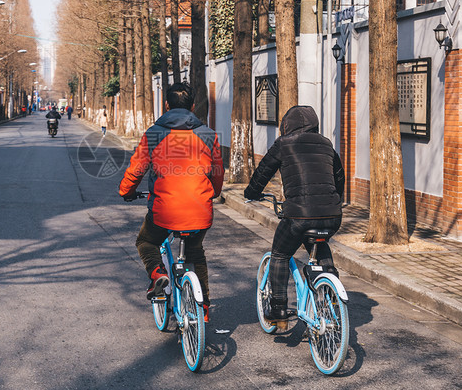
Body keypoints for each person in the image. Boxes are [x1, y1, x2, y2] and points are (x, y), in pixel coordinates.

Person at [120, 83, 224, 321]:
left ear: (166, 105)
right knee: (195, 253)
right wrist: (213, 193)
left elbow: (136, 170)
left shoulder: (154, 134)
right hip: (200, 211)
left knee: (146, 241)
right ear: (193, 106)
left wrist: (126, 192)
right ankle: (204, 307)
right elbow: (217, 173)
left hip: (164, 211)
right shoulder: (208, 135)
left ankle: (157, 273)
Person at [243, 105, 344, 325]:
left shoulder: (284, 144)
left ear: (287, 125)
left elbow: (264, 170)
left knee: (280, 254)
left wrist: (251, 192)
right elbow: (339, 176)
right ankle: (332, 299)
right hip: (332, 214)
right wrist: (334, 201)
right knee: (319, 245)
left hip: (298, 215)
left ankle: (278, 310)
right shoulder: (326, 144)